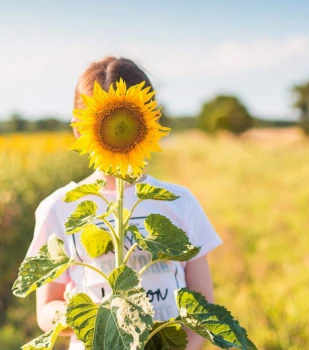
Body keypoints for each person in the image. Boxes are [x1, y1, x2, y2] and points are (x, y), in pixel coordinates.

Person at [27, 56, 223, 350]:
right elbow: (47, 308)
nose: (117, 131)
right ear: (79, 130)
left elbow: (203, 308)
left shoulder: (180, 203)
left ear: (151, 121)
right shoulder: (60, 207)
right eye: (103, 123)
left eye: (129, 121)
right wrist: (88, 317)